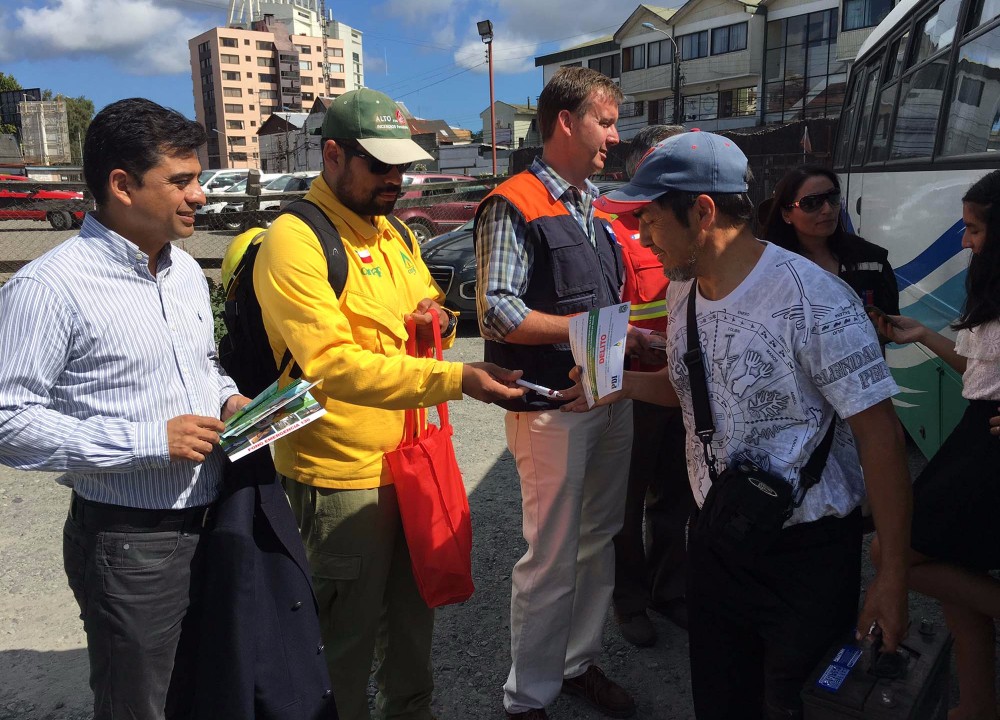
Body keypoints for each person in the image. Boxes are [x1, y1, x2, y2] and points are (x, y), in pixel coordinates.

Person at [563, 131, 912, 720]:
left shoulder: (816, 300)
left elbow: (881, 437)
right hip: (718, 541)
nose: (642, 237)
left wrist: (893, 576)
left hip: (808, 556)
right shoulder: (684, 294)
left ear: (702, 212)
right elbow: (694, 394)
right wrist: (611, 387)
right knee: (721, 701)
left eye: (649, 218)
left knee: (793, 705)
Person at [252, 88, 524, 720]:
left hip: (411, 463)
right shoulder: (295, 240)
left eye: (402, 167)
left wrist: (434, 320)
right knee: (340, 642)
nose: (395, 181)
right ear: (333, 156)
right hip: (340, 475)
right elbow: (331, 365)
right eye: (380, 167)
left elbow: (435, 310)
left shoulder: (396, 235)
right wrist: (459, 380)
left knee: (412, 621)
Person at [0, 98, 251, 720]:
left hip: (214, 516)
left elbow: (200, 366)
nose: (199, 196)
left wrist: (228, 398)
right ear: (122, 185)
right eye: (181, 181)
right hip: (129, 540)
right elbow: (8, 419)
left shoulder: (187, 272)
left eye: (198, 179)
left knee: (207, 688)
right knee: (140, 704)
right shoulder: (48, 287)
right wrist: (145, 440)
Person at [475, 66, 640, 720]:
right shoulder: (514, 201)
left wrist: (626, 344)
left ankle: (576, 664)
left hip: (606, 396)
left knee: (600, 538)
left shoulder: (592, 203)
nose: (615, 135)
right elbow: (496, 313)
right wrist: (590, 331)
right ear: (566, 122)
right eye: (606, 121)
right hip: (551, 408)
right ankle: (527, 698)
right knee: (549, 557)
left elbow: (605, 299)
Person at [870, 169, 1000, 720]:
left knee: (891, 551)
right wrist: (923, 336)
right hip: (976, 429)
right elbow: (981, 373)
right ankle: (976, 706)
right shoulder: (989, 283)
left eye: (973, 229)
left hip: (989, 449)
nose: (965, 241)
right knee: (953, 579)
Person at [599, 125, 693, 648]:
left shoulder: (694, 218)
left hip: (681, 379)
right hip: (635, 383)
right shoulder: (608, 223)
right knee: (625, 504)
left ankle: (668, 589)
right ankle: (629, 600)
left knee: (676, 497)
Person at [761, 165, 899, 318]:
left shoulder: (872, 261)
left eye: (833, 198)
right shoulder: (769, 269)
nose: (828, 209)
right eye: (812, 202)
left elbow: (890, 326)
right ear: (786, 214)